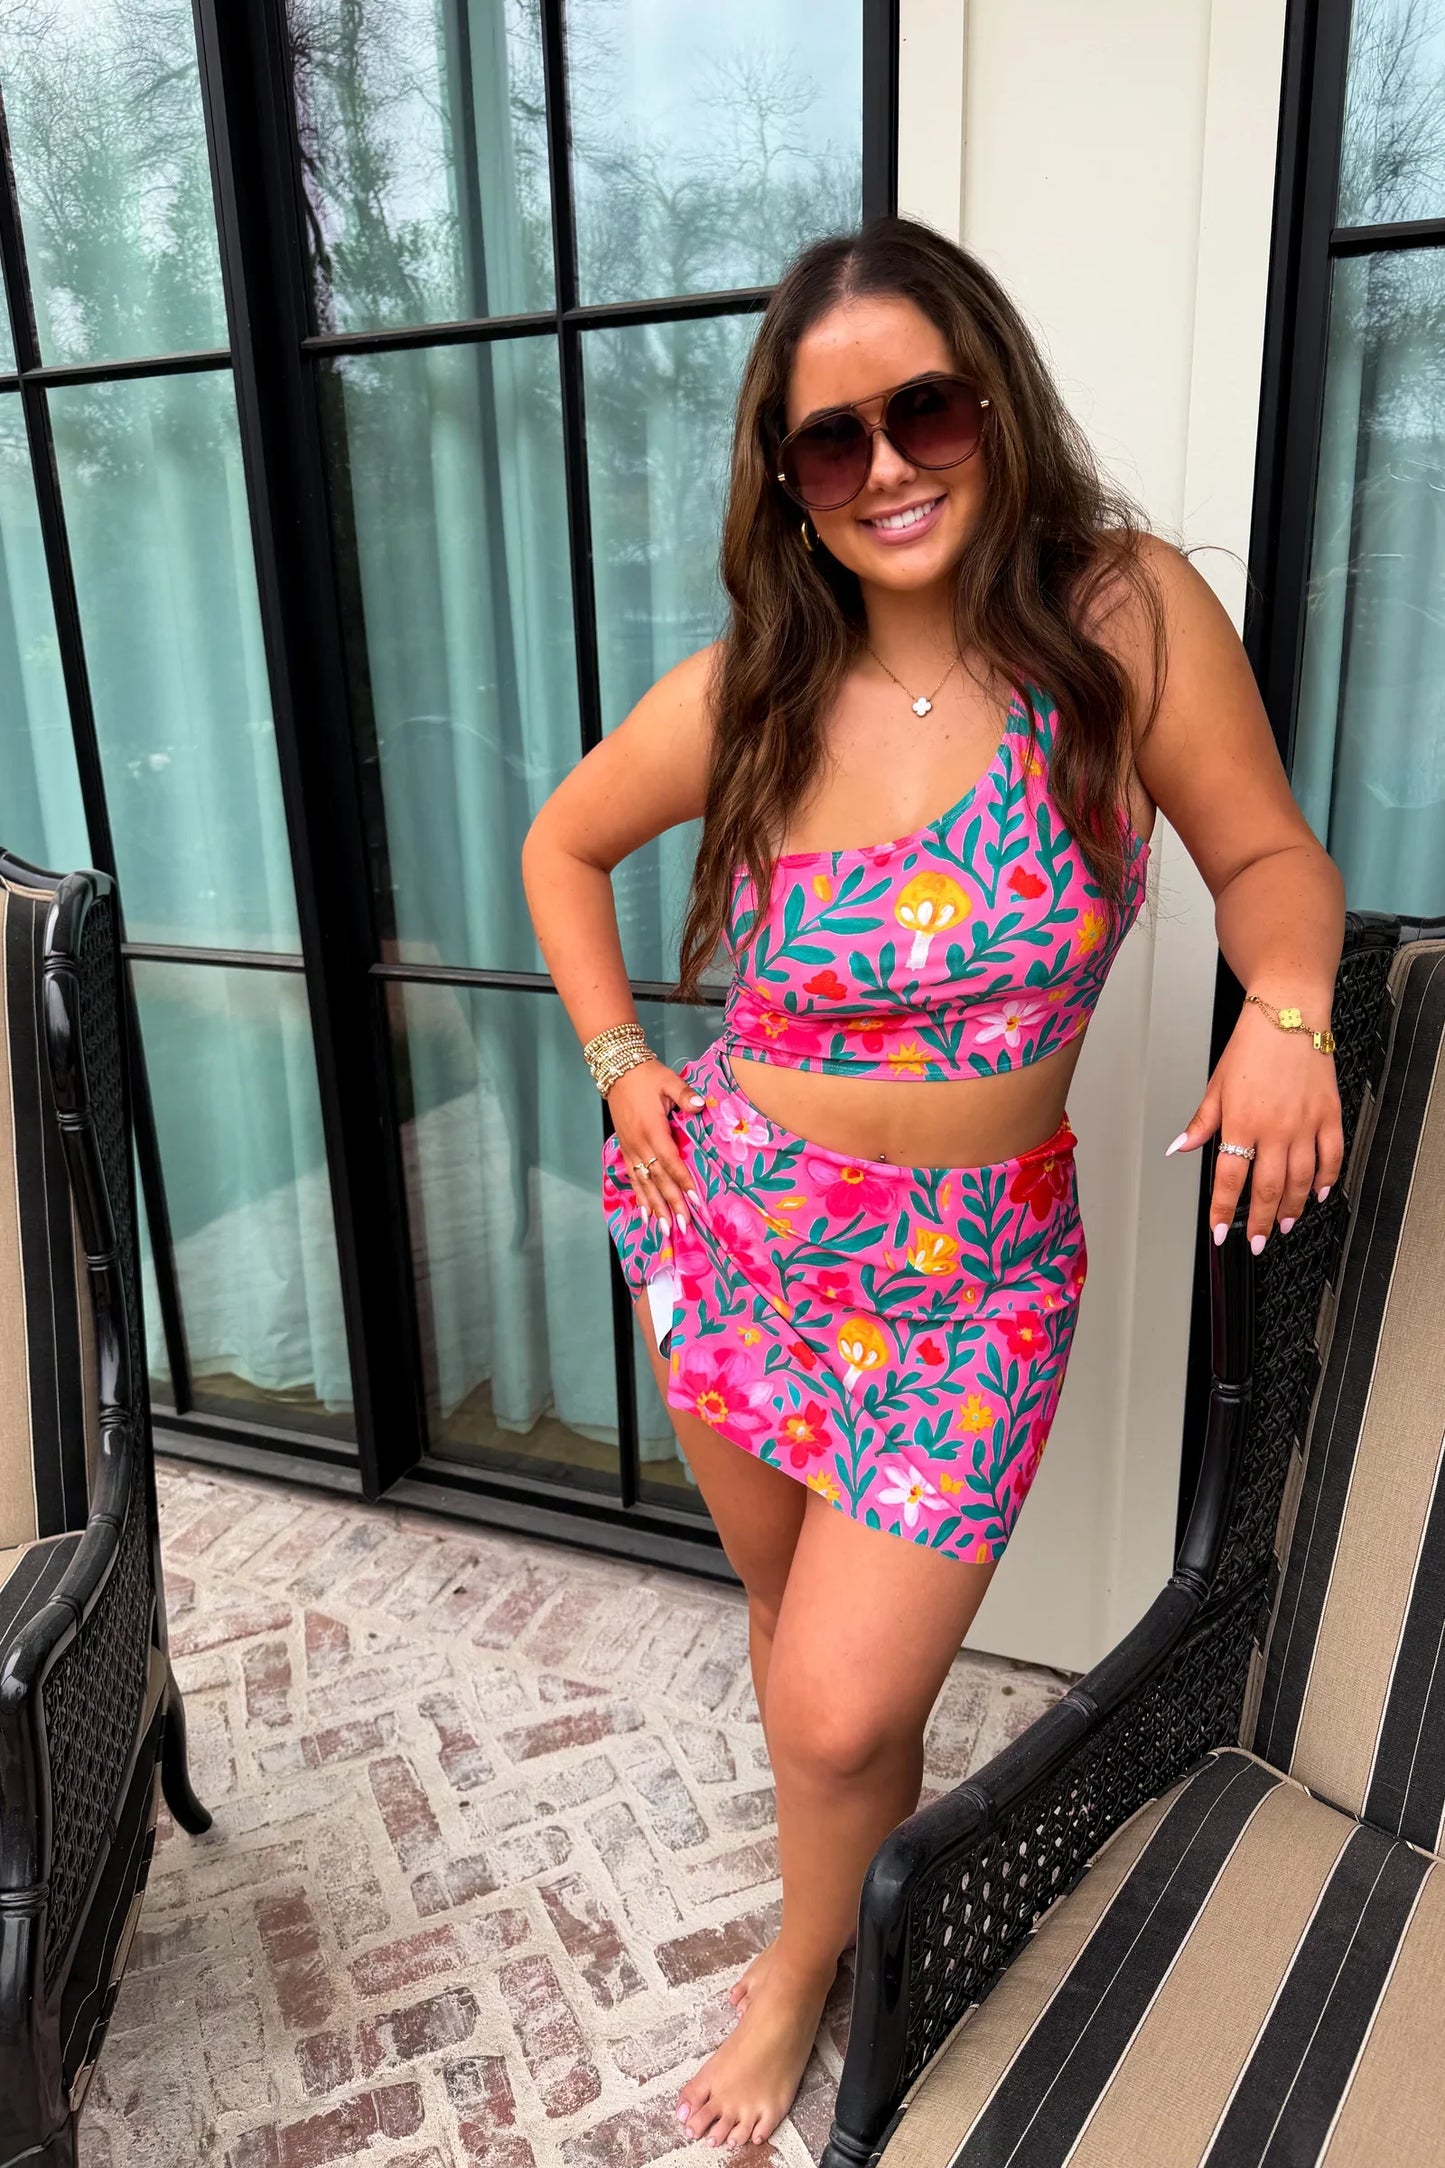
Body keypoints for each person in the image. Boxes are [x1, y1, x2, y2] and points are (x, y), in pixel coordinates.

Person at [521, 214, 1344, 2151]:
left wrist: (1288, 1010)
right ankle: (832, 1916)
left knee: (830, 1699)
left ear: (996, 408)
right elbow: (561, 849)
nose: (887, 466)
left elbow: (1272, 865)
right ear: (787, 486)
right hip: (735, 1231)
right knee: (800, 1634)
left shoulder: (1123, 618)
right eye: (831, 442)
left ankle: (811, 1956)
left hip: (966, 1282)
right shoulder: (752, 690)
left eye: (926, 411)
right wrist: (626, 1060)